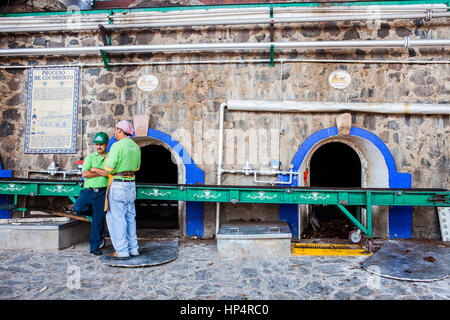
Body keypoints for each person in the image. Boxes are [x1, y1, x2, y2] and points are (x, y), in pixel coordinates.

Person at [104, 120, 141, 260]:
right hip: (131, 184)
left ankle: (122, 251)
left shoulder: (117, 146)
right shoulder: (136, 147)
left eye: (115, 130)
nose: (114, 133)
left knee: (118, 219)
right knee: (131, 218)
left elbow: (109, 168)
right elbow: (137, 167)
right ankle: (134, 249)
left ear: (120, 130)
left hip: (118, 184)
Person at [73, 132, 109, 256]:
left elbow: (109, 173)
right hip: (88, 191)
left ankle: (95, 246)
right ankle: (94, 213)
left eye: (101, 144)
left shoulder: (110, 157)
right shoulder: (90, 157)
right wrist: (101, 172)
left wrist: (94, 169)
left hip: (101, 192)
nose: (99, 146)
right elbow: (85, 174)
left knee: (98, 221)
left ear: (106, 145)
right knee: (77, 209)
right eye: (97, 144)